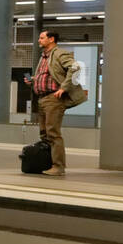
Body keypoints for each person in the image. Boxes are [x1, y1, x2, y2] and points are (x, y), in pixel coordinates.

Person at [32, 28, 79, 177]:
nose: (39, 40)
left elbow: (75, 67)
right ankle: (48, 163)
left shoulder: (59, 53)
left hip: (53, 99)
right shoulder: (44, 56)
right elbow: (48, 75)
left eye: (42, 38)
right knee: (44, 134)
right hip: (42, 98)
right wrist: (33, 80)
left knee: (53, 133)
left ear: (51, 39)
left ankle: (59, 166)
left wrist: (64, 88)